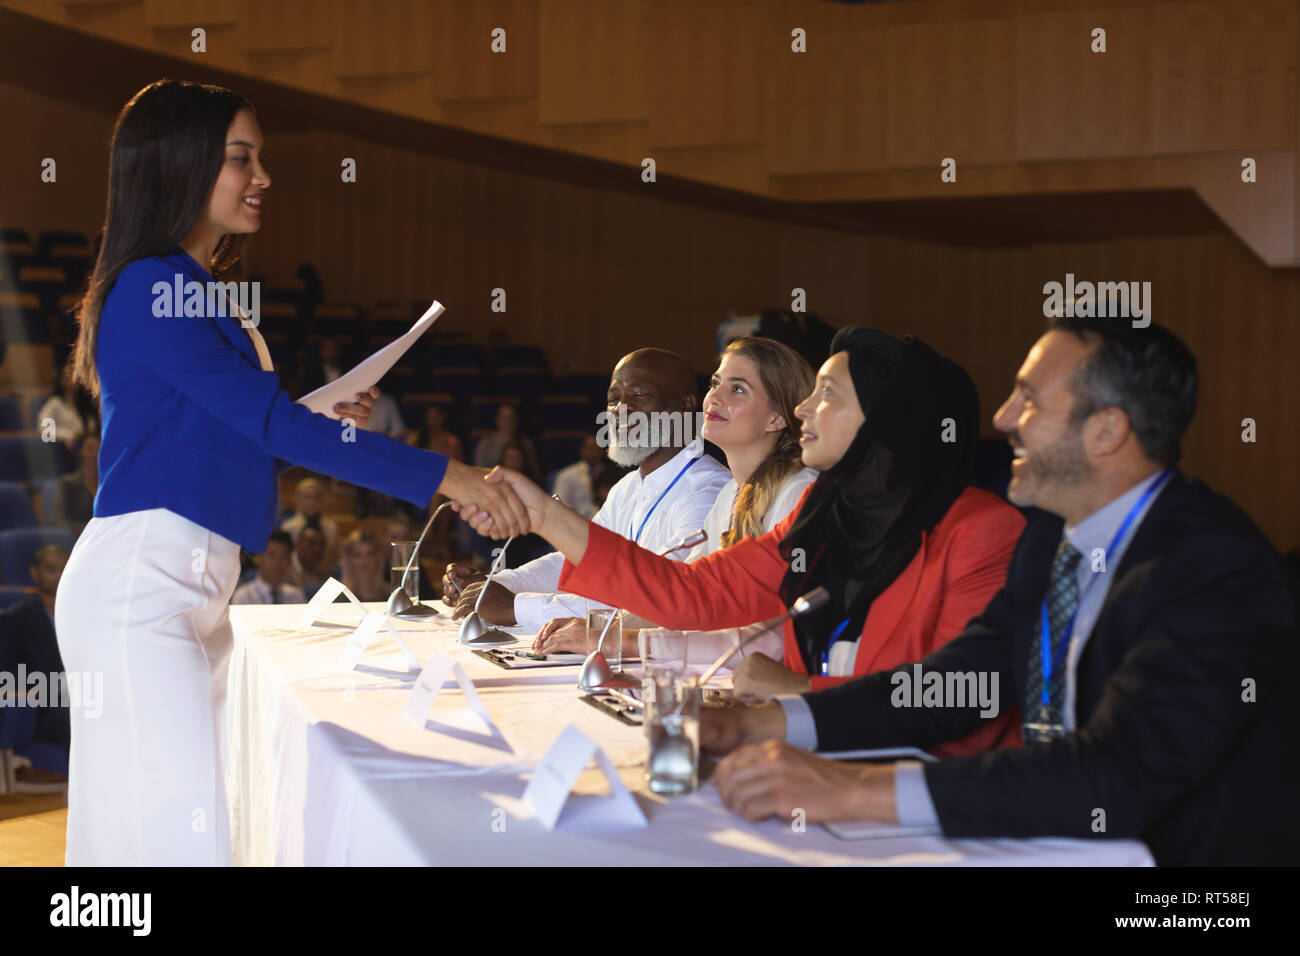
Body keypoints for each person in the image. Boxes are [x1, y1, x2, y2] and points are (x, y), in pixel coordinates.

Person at [54, 79, 526, 867]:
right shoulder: (152, 287)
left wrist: (328, 411)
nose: (263, 177)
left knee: (182, 832)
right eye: (241, 159)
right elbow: (267, 423)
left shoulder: (198, 290)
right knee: (173, 840)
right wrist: (450, 476)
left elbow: (233, 445)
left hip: (192, 584)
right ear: (181, 163)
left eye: (260, 158)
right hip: (141, 587)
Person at [687, 318, 1295, 866]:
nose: (1002, 418)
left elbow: (1116, 774)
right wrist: (760, 727)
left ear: (1107, 430)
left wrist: (851, 791)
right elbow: (949, 687)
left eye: (1029, 400)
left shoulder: (1214, 570)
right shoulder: (1052, 540)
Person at [475, 328, 1026, 758]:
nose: (804, 409)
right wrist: (543, 513)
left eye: (827, 396)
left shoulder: (982, 529)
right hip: (820, 765)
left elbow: (954, 702)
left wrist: (798, 694)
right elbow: (689, 594)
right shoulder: (824, 517)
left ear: (886, 423)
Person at [533, 336, 819, 669]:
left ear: (776, 418)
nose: (714, 397)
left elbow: (770, 641)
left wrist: (616, 641)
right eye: (715, 383)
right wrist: (602, 629)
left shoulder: (799, 493)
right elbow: (684, 594)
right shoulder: (731, 495)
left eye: (738, 389)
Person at [444, 348, 731, 632]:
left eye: (639, 394)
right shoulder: (627, 487)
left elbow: (659, 602)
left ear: (684, 406)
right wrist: (498, 585)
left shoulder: (708, 492)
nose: (620, 409)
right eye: (613, 398)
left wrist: (515, 607)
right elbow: (578, 559)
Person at [0, 545, 72, 788]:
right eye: (52, 569)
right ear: (35, 573)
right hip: (44, 708)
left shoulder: (86, 613)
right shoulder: (15, 620)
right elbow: (7, 676)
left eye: (65, 568)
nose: (61, 575)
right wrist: (56, 687)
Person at [37, 359, 100, 450]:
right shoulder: (55, 403)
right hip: (65, 450)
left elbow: (92, 429)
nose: (72, 381)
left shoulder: (86, 404)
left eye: (75, 377)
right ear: (61, 380)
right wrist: (70, 436)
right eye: (68, 377)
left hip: (87, 449)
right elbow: (44, 431)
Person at [230, 530, 305, 604]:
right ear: (257, 558)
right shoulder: (244, 596)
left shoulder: (296, 596)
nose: (278, 562)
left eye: (284, 556)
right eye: (272, 555)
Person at [48, 433, 99, 534]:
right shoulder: (67, 483)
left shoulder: (109, 484)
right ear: (80, 452)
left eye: (99, 449)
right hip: (77, 540)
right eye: (90, 449)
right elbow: (57, 521)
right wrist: (88, 531)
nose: (95, 454)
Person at [279, 477, 339, 564]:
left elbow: (335, 557)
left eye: (316, 497)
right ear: (297, 499)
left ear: (322, 499)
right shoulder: (288, 527)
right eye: (306, 497)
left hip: (324, 572)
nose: (312, 501)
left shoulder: (331, 527)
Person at [472, 403, 539, 478]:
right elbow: (479, 473)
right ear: (497, 420)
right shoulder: (485, 444)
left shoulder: (526, 444)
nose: (507, 421)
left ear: (516, 421)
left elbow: (534, 472)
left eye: (511, 417)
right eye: (503, 417)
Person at [552, 434, 605, 518]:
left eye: (597, 449)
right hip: (576, 521)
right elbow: (559, 503)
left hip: (606, 522)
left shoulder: (611, 473)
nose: (593, 453)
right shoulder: (566, 475)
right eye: (590, 448)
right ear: (582, 450)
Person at [338, 529, 388, 602]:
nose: (364, 560)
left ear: (378, 558)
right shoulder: (339, 598)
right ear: (349, 560)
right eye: (357, 555)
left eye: (370, 554)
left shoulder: (391, 595)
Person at [288, 524, 331, 598]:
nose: (317, 549)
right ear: (297, 544)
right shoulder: (284, 566)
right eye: (312, 543)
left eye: (321, 545)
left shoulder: (324, 567)